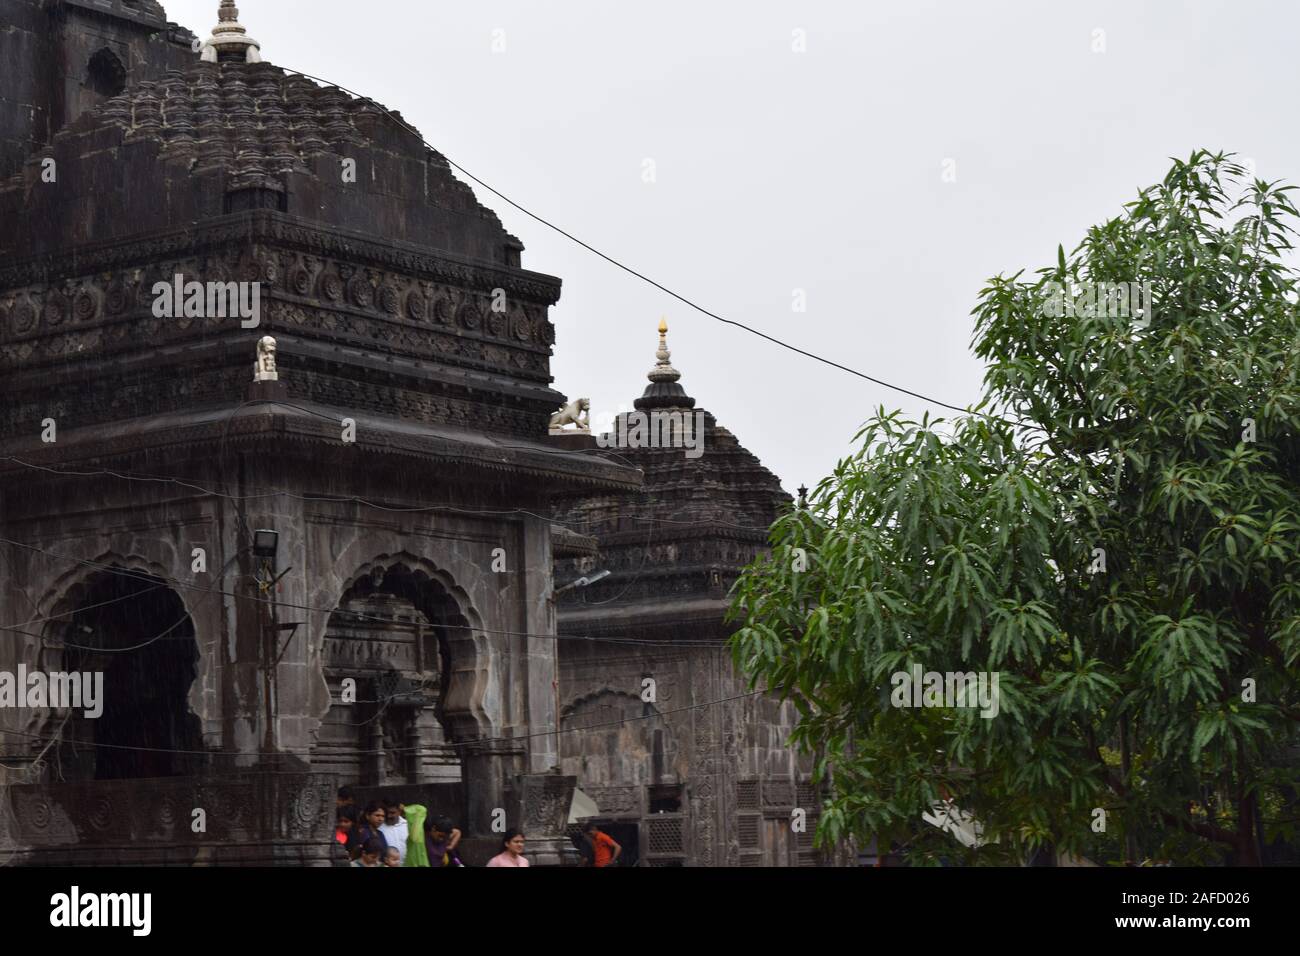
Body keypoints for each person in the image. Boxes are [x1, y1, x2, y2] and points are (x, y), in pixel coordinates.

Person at [378, 797, 408, 865]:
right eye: (386, 813)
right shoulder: (379, 828)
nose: (388, 816)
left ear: (399, 812)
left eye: (392, 813)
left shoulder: (407, 825)